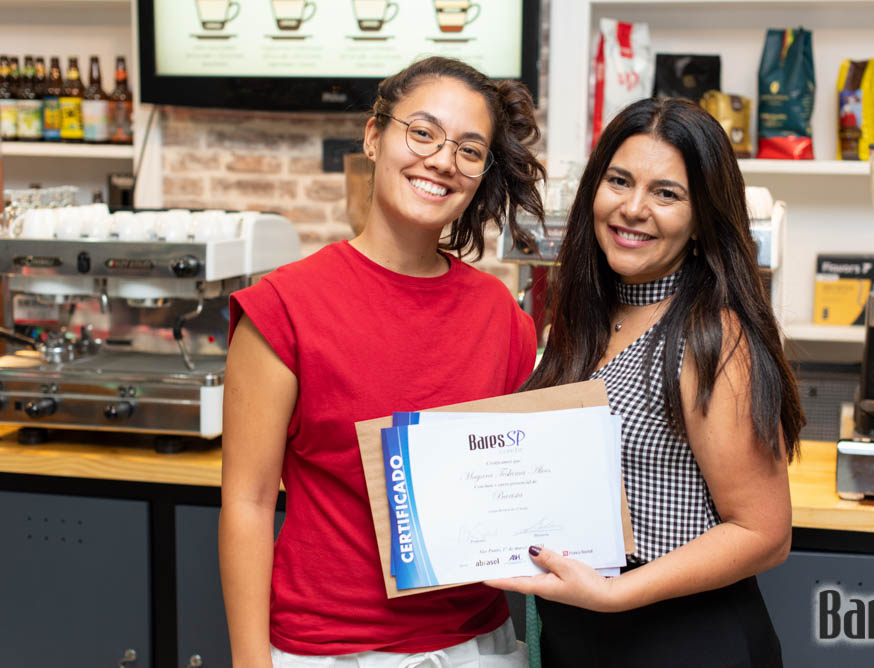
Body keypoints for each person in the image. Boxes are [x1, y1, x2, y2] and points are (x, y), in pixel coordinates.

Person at [220, 56, 545, 668]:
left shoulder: (501, 317)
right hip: (327, 651)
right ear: (374, 137)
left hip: (478, 646)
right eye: (422, 133)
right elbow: (248, 502)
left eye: (469, 150)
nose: (442, 160)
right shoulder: (284, 307)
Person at [488, 97, 805, 667]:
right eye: (619, 181)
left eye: (667, 193)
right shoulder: (582, 322)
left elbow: (764, 534)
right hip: (582, 638)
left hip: (680, 642)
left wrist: (614, 594)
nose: (633, 209)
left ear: (702, 218)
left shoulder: (711, 336)